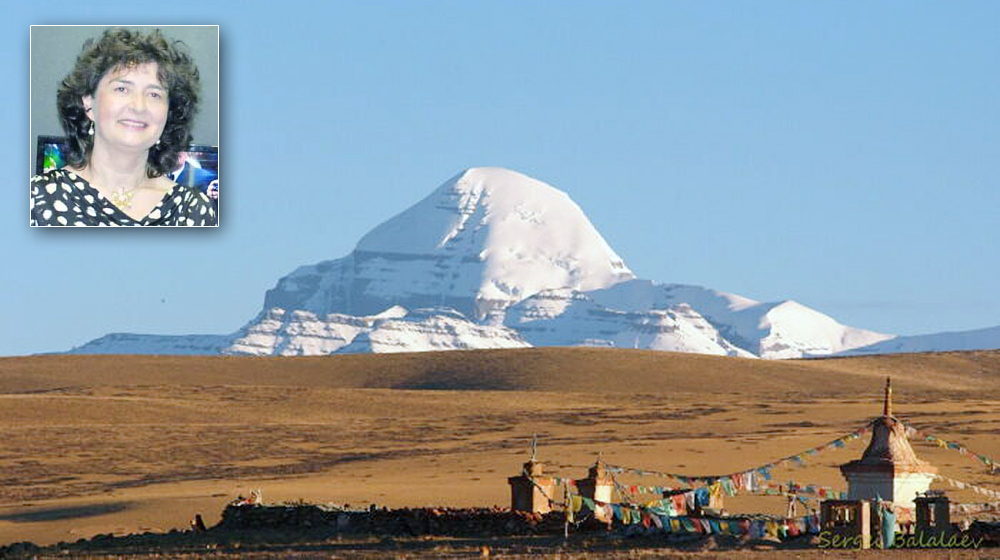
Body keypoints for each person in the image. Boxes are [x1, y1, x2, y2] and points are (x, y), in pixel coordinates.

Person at [30, 28, 217, 226]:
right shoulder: (36, 200)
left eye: (154, 94)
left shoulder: (194, 212)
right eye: (122, 89)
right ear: (88, 104)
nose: (139, 106)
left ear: (169, 113)